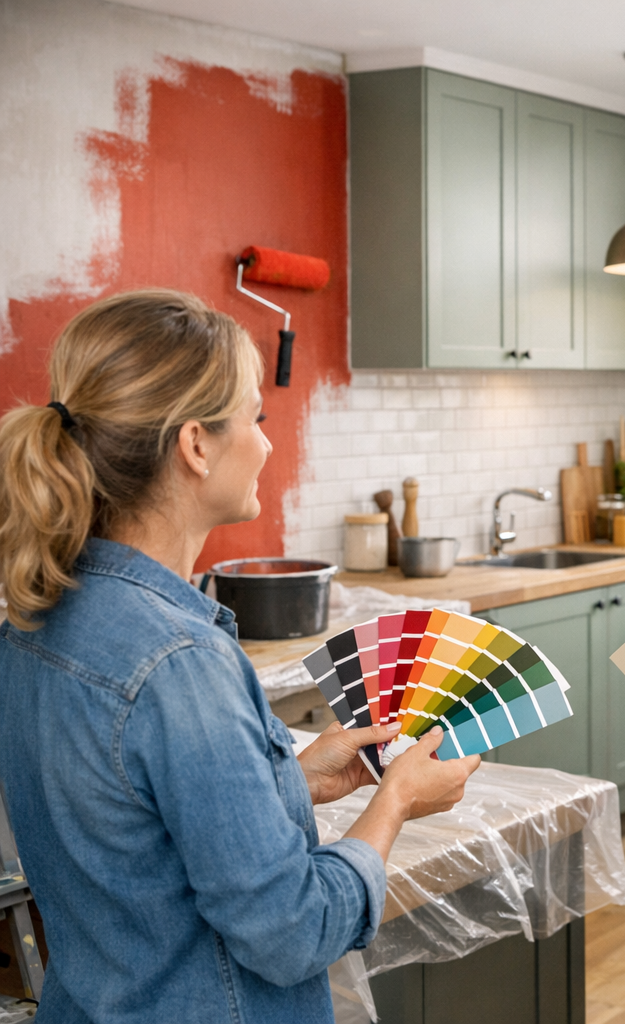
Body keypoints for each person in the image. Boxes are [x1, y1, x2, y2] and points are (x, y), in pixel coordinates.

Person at [0, 290, 480, 1024]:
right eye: (255, 418)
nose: (267, 442)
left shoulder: (35, 615)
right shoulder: (180, 661)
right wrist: (396, 802)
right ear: (195, 445)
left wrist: (288, 780)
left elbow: (133, 830)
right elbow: (293, 932)